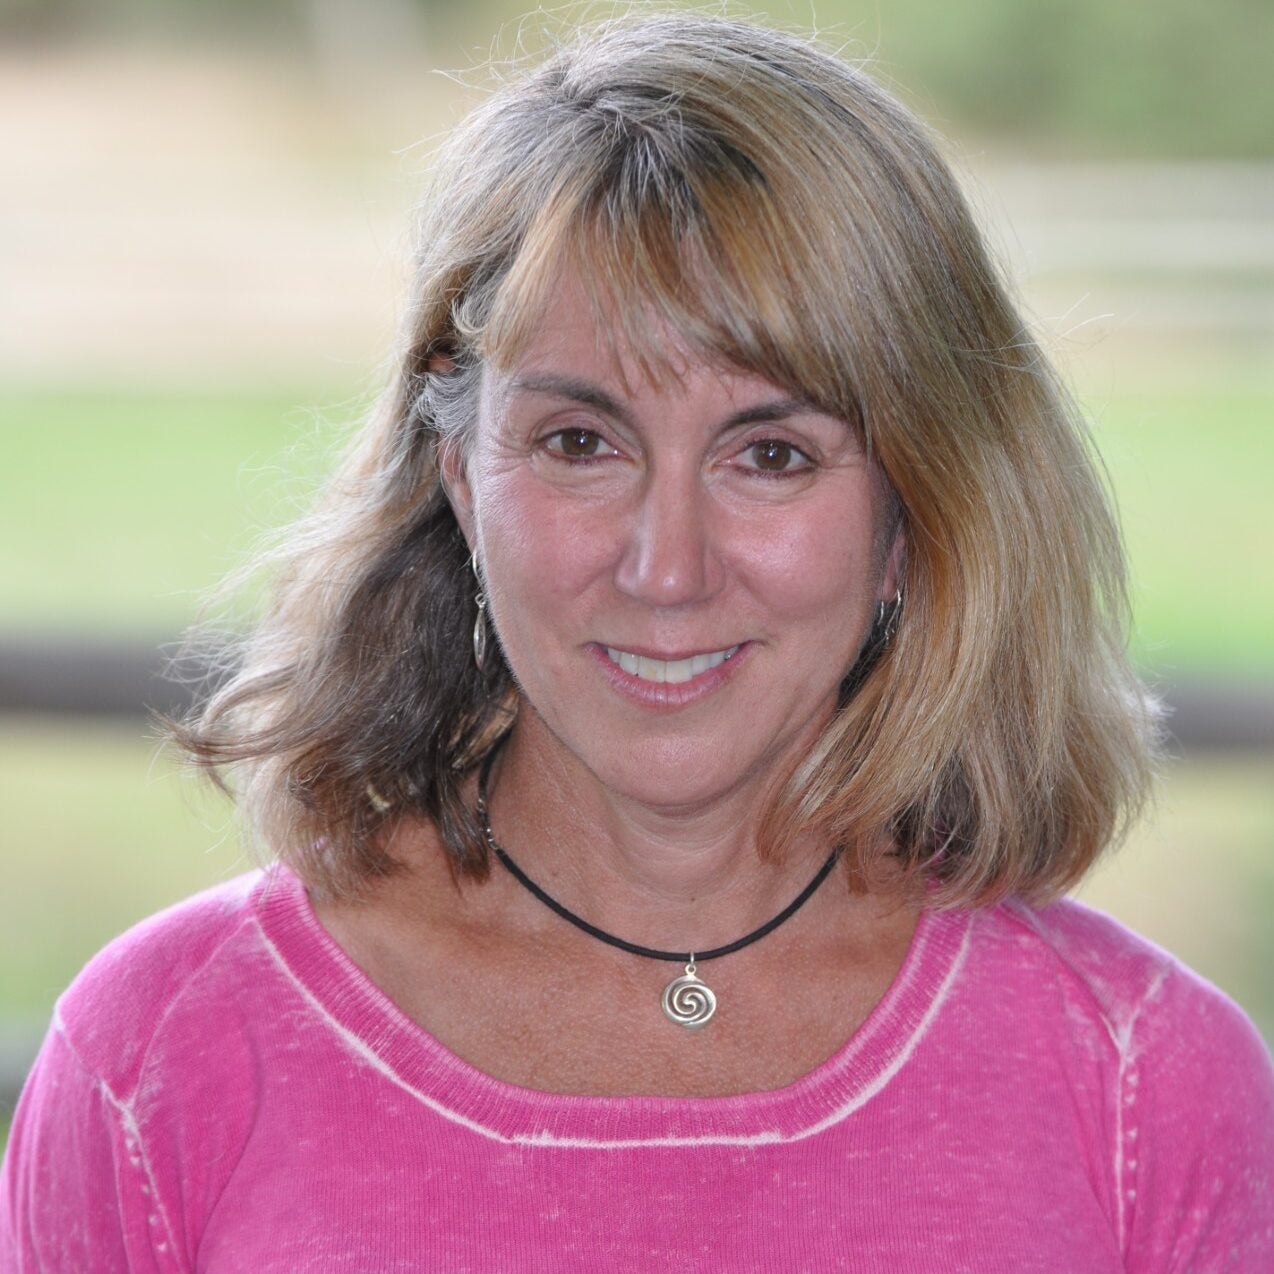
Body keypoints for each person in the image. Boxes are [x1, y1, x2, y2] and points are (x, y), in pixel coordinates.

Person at [3, 12, 1271, 1271]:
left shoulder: (1144, 1089)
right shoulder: (162, 1058)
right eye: (579, 443)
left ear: (914, 512)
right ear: (457, 473)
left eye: (769, 453)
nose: (665, 566)